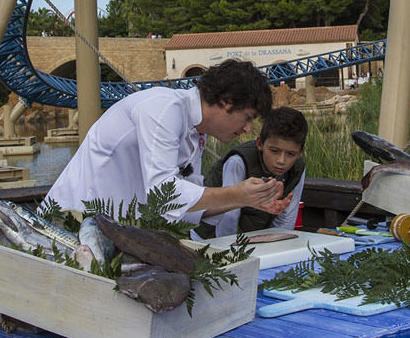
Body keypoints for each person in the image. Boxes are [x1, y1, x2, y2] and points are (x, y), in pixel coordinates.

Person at [43, 59, 283, 225]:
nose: (248, 129)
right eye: (248, 118)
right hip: (68, 224)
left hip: (110, 229)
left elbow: (184, 209)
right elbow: (163, 194)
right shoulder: (163, 108)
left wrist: (244, 200)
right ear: (226, 101)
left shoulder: (196, 131)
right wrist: (234, 194)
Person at [194, 106, 308, 240]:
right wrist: (229, 252)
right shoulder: (238, 161)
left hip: (254, 238)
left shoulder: (298, 168)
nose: (281, 161)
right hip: (210, 236)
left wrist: (278, 244)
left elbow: (287, 216)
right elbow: (229, 216)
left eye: (291, 154)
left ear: (300, 152)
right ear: (260, 143)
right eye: (274, 151)